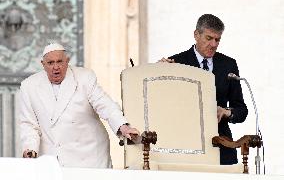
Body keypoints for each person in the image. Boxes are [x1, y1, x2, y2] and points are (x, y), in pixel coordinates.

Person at [19, 43, 139, 168]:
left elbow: (104, 104)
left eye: (60, 62)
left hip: (89, 156)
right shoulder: (29, 86)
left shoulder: (84, 77)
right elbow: (29, 124)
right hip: (53, 158)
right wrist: (30, 148)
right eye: (50, 63)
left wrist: (123, 127)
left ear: (67, 61)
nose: (56, 67)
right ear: (43, 64)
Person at [160, 14, 248, 165]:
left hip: (221, 145)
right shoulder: (176, 62)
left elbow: (241, 110)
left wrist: (226, 112)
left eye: (217, 39)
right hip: (185, 145)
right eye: (209, 38)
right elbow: (164, 106)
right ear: (196, 35)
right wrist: (158, 73)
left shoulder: (228, 65)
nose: (213, 44)